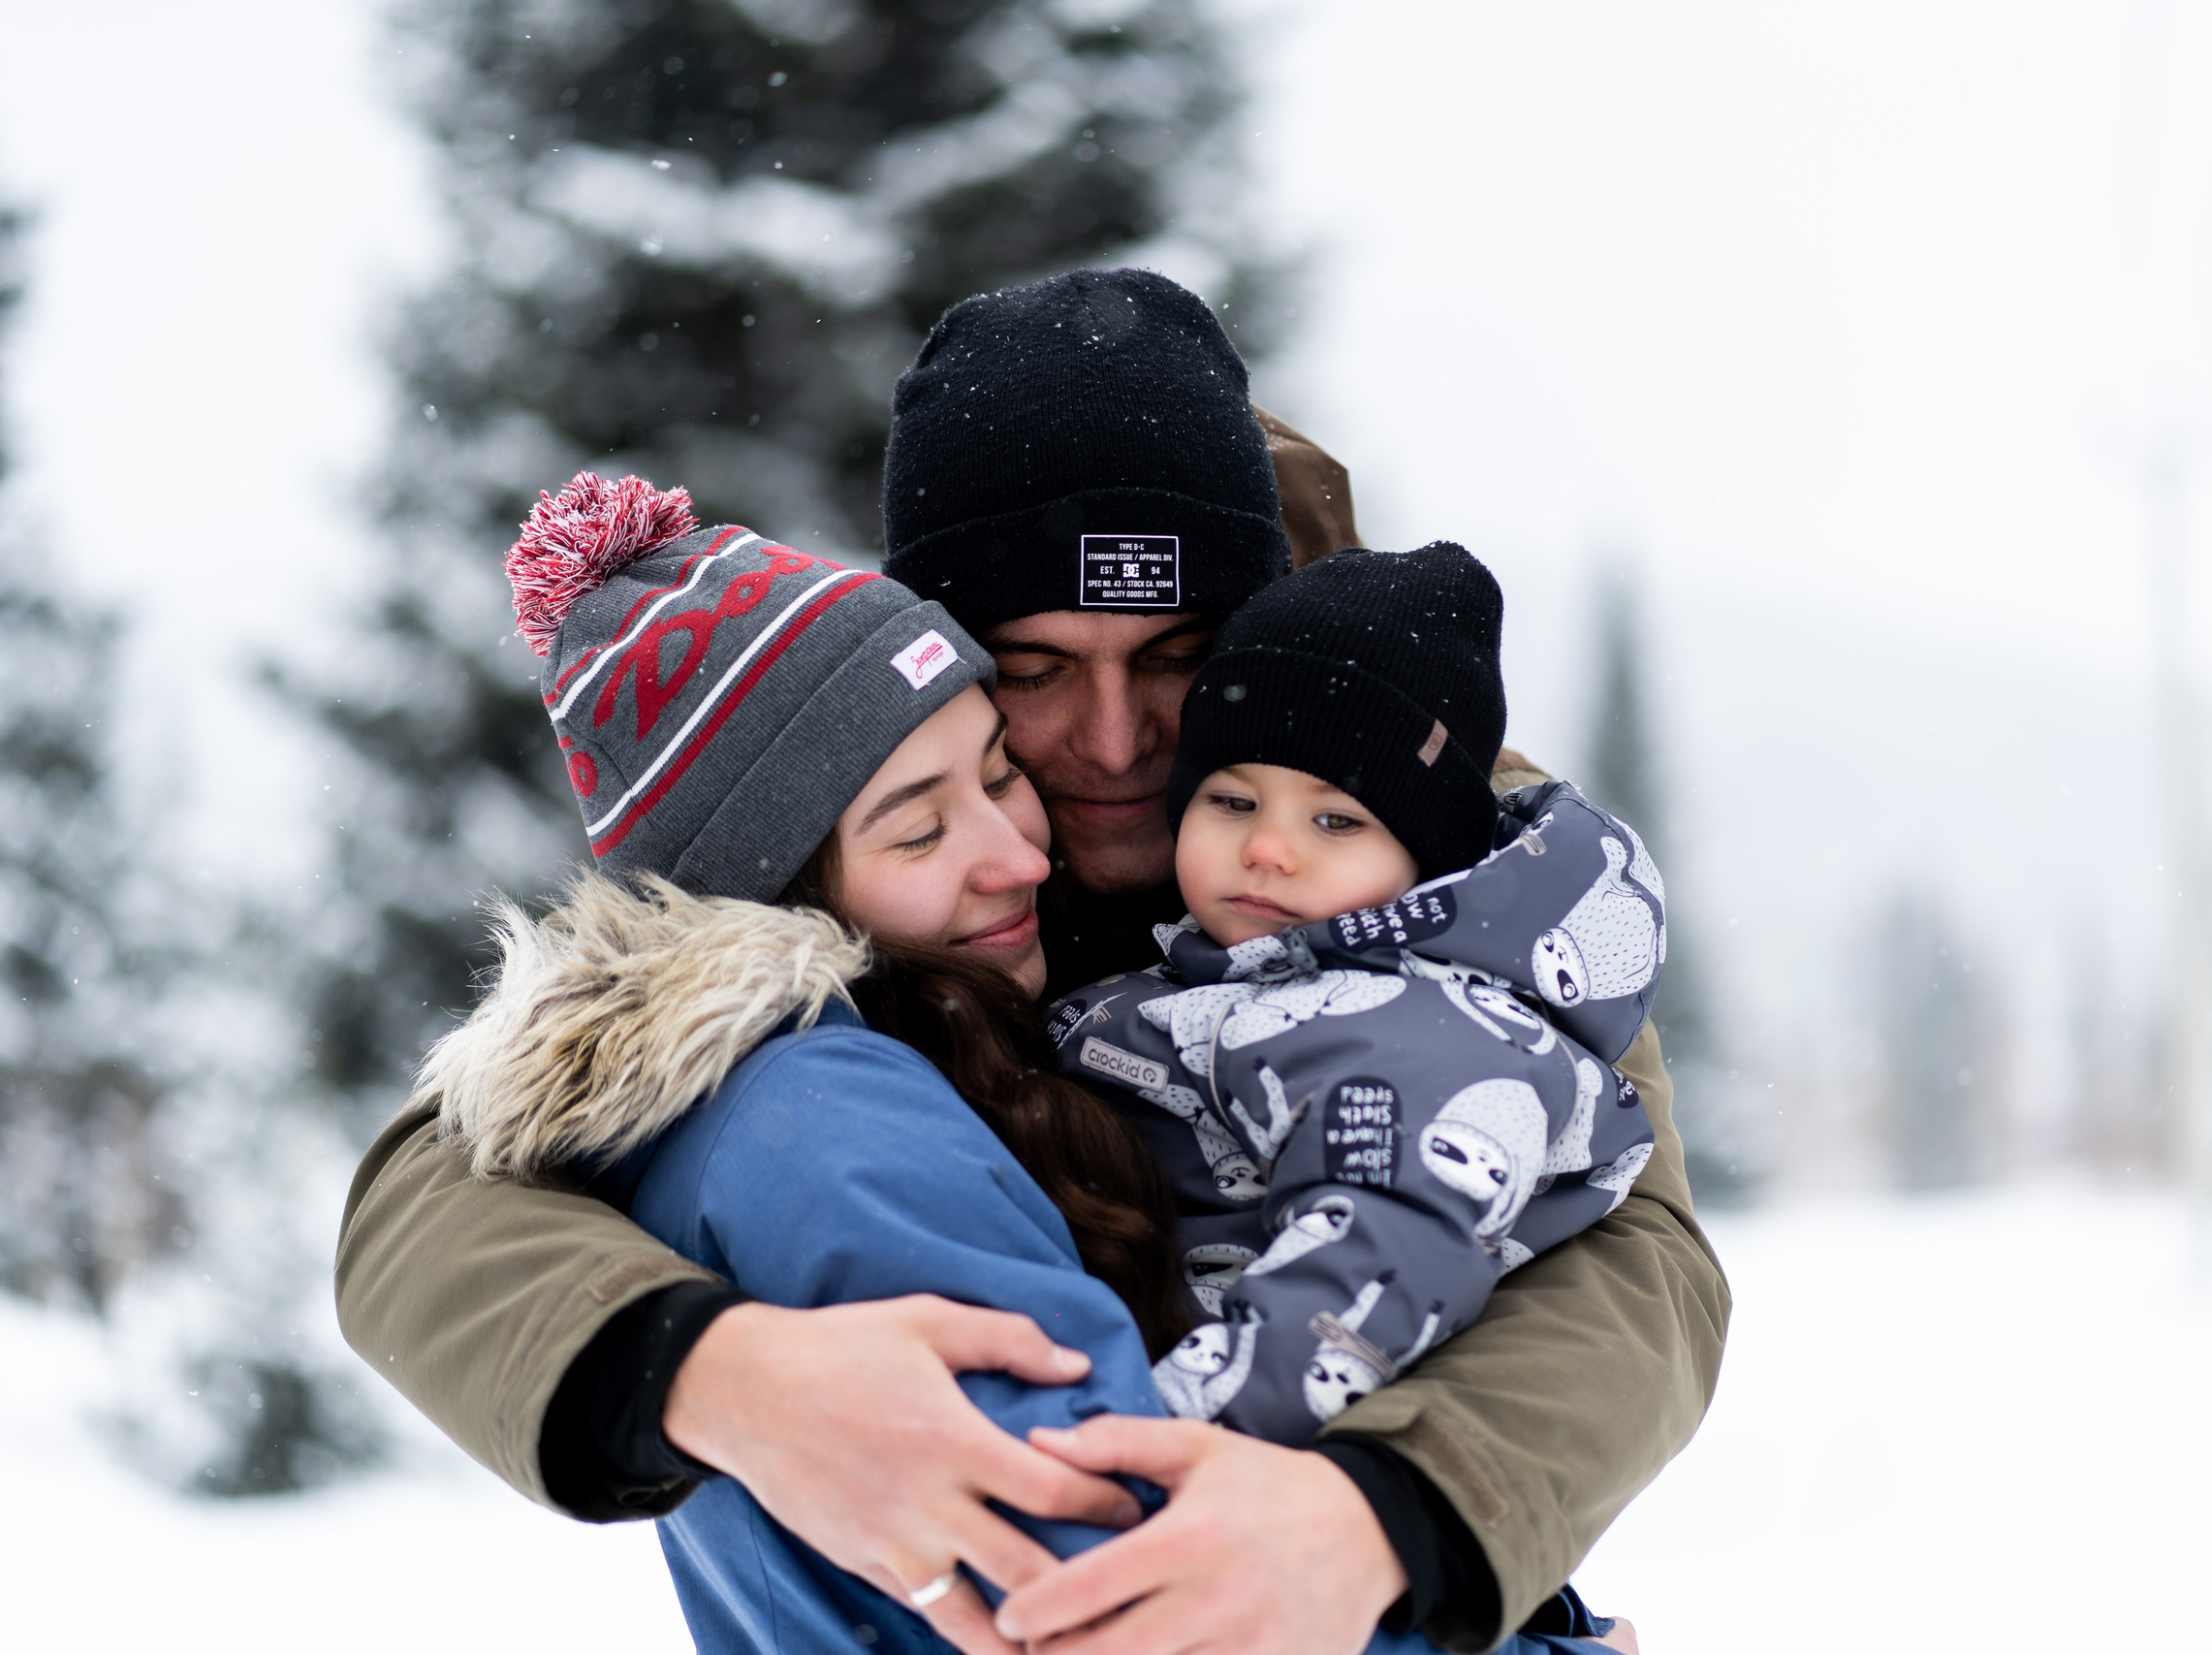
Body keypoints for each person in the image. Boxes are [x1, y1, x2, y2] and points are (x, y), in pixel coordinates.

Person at [335, 269, 1730, 1655]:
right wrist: (715, 1372)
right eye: (1037, 669)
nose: (1114, 740)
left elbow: (1639, 1263)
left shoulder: (1414, 840)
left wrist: (1385, 1512)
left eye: (1178, 654)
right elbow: (438, 1187)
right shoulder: (850, 796)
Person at [1046, 542, 1661, 1445]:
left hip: (1226, 1450)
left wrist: (1161, 1433)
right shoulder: (1219, 974)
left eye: (1336, 820)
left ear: (1427, 866)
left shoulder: (1418, 1038)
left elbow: (1377, 1260)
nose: (1268, 848)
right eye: (1231, 801)